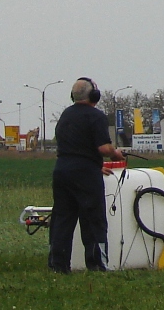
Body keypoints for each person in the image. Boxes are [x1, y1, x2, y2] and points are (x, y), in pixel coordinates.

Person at [48, 77, 124, 273]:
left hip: (62, 170)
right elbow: (103, 148)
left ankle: (58, 265)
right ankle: (97, 264)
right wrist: (115, 152)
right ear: (94, 95)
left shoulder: (65, 115)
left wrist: (93, 165)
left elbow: (75, 148)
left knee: (63, 219)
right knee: (93, 220)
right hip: (85, 175)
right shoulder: (95, 116)